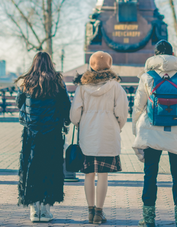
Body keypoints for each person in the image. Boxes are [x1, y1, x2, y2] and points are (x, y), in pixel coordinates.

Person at [132, 40, 177, 227]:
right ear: (172, 55)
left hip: (151, 132)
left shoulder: (147, 77)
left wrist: (135, 130)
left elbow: (138, 106)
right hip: (176, 132)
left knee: (150, 175)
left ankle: (148, 219)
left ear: (155, 55)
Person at [70, 51, 129, 224]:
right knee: (103, 175)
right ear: (109, 66)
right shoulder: (116, 87)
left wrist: (80, 123)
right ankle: (99, 212)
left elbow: (74, 114)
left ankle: (89, 211)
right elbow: (122, 113)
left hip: (87, 135)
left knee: (89, 174)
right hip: (108, 134)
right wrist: (117, 126)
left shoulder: (82, 87)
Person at [16, 51, 71, 222]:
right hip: (52, 133)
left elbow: (20, 103)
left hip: (31, 133)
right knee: (50, 168)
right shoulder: (57, 82)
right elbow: (66, 105)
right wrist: (66, 123)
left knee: (31, 168)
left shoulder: (25, 82)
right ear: (50, 63)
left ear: (34, 63)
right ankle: (46, 210)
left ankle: (34, 209)